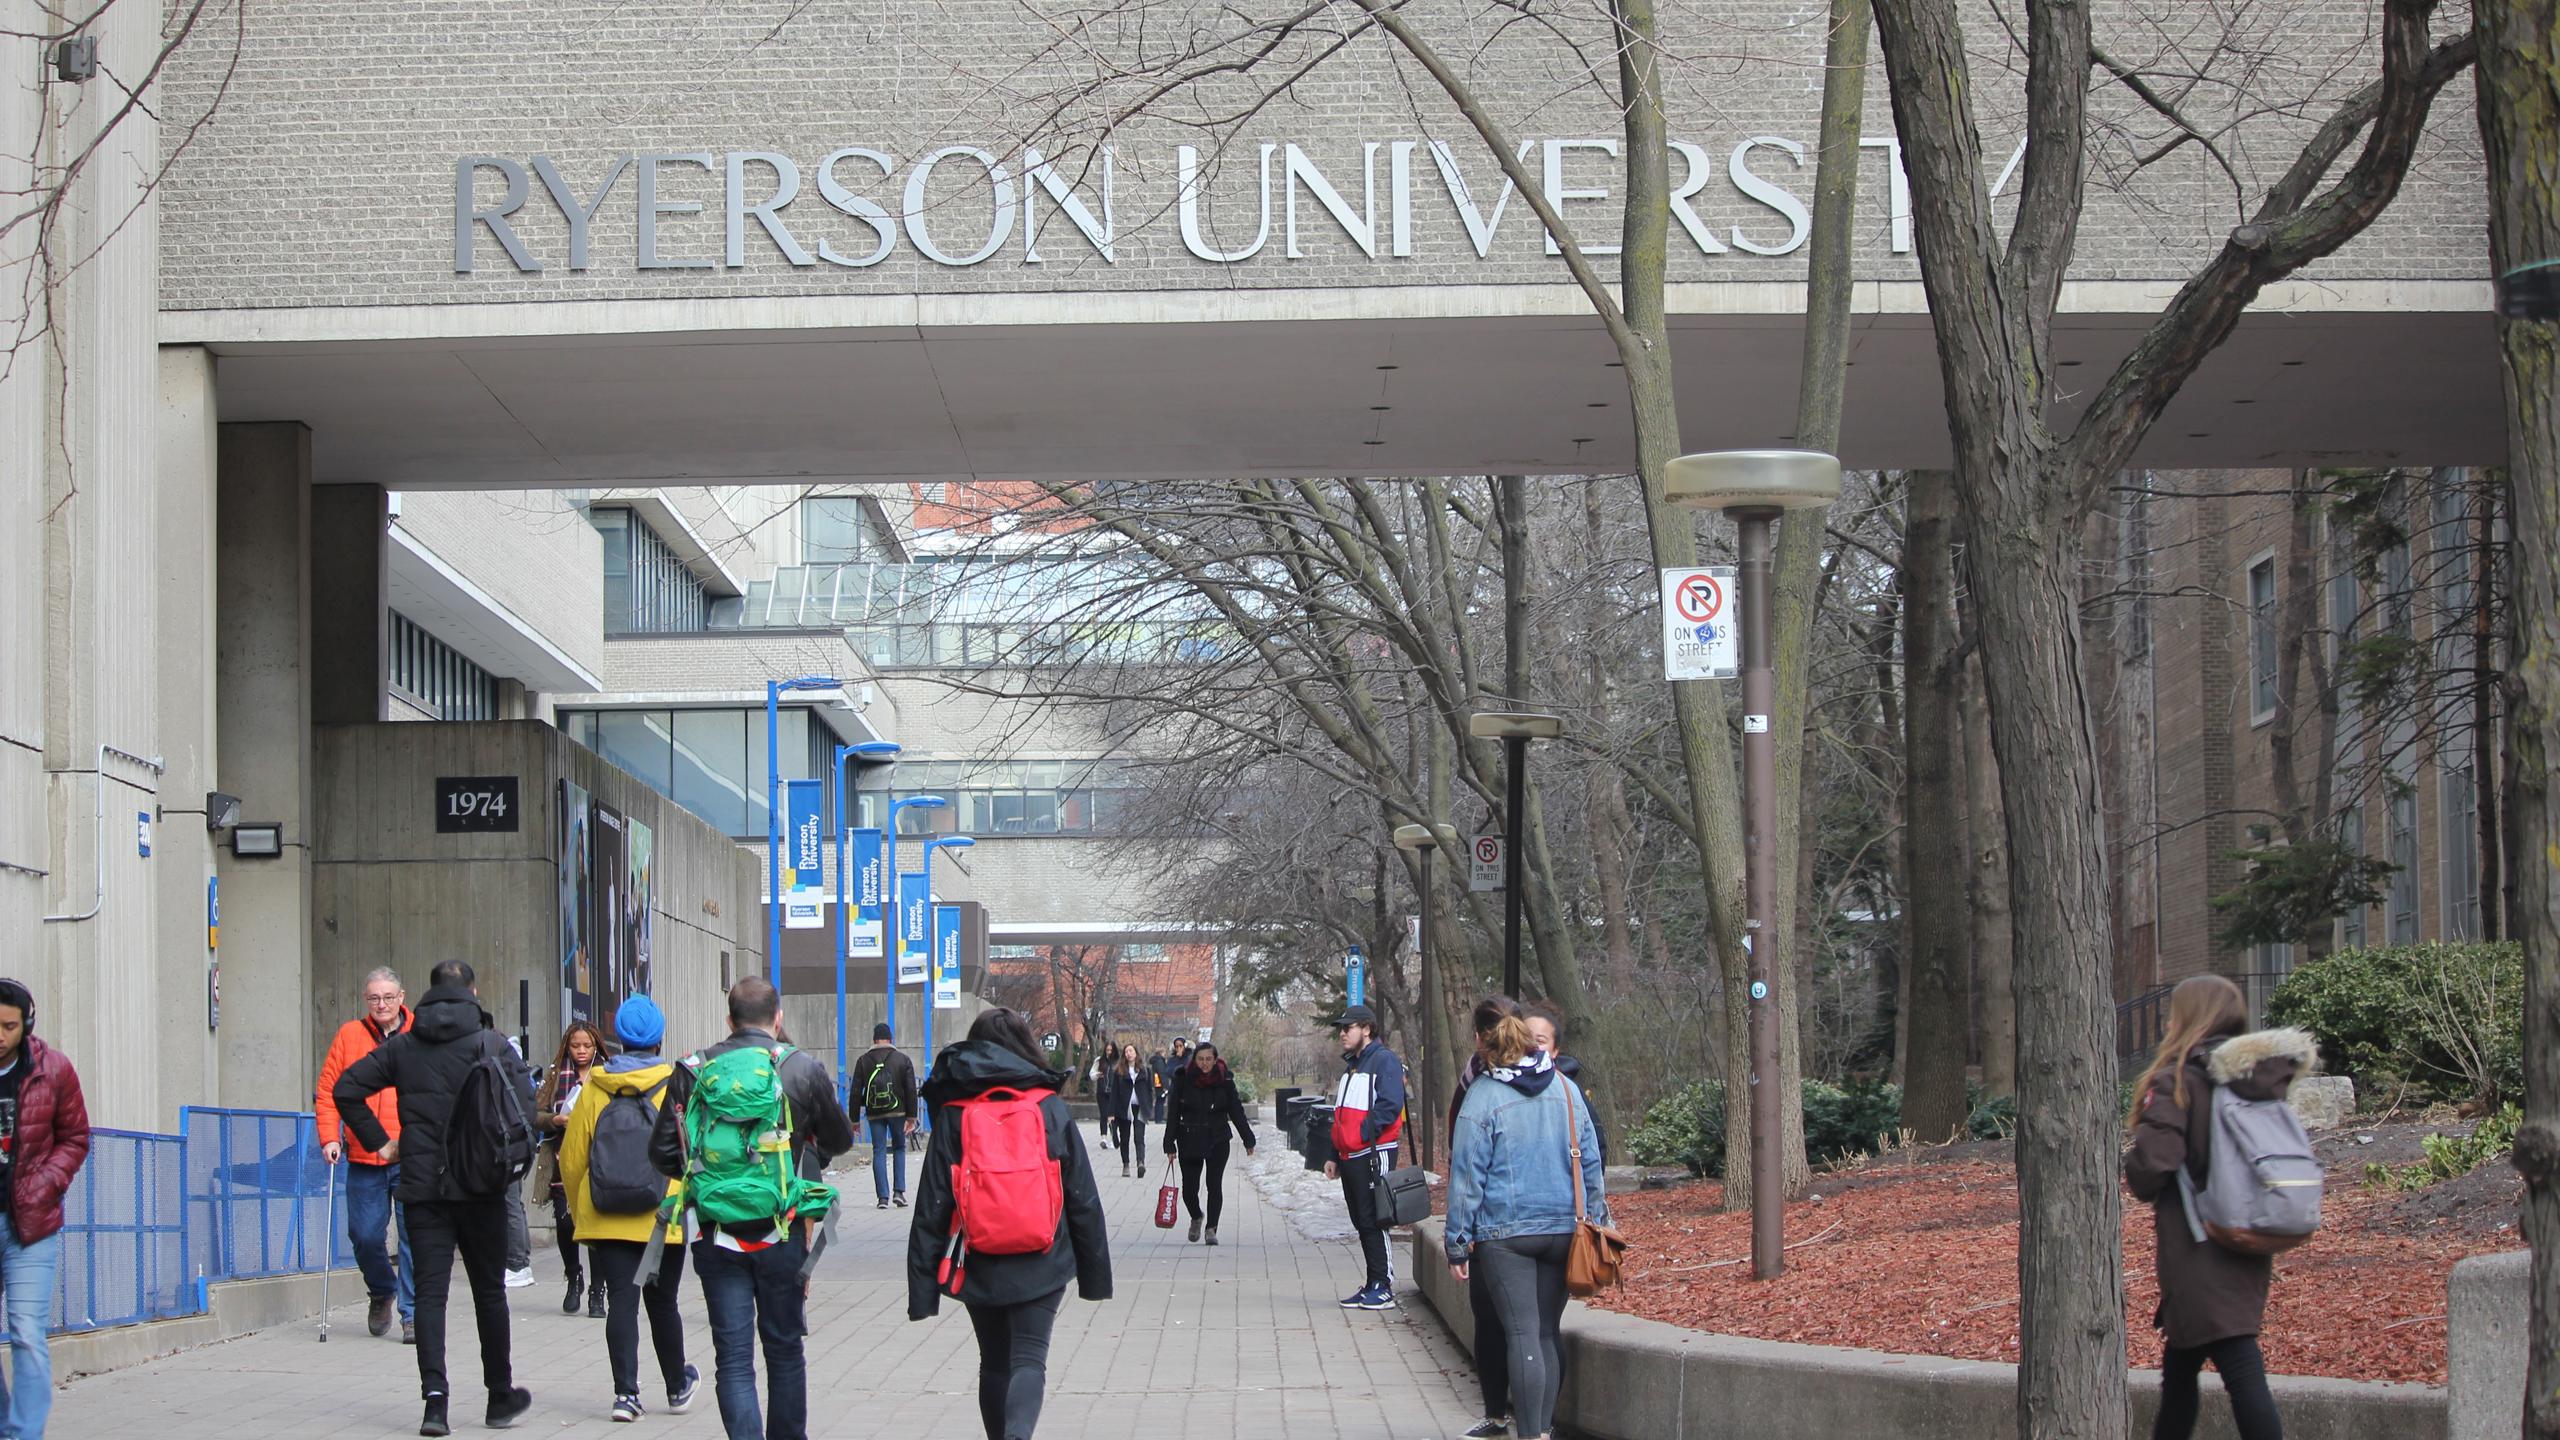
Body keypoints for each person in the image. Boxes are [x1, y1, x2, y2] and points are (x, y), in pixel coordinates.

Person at [333, 958, 537, 1436]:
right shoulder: (491, 1044)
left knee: (429, 1296)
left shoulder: (403, 1047)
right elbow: (526, 1108)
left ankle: (435, 1404)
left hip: (422, 1188)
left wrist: (381, 1142)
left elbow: (346, 1089)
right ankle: (499, 1397)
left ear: (424, 995)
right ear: (472, 990)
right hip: (482, 1189)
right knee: (489, 1293)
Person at [649, 977, 854, 1440]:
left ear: (729, 1020)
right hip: (782, 1230)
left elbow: (662, 1152)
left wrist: (710, 1178)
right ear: (777, 1019)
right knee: (784, 1350)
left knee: (734, 1359)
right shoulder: (800, 1068)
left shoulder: (693, 1069)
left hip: (715, 1232)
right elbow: (841, 1140)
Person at [906, 1008, 1111, 1440]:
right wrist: (1094, 1276)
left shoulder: (955, 1114)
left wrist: (923, 1292)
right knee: (1029, 1358)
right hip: (1044, 1256)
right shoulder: (1049, 1107)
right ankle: (1019, 1433)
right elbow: (1082, 1196)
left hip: (978, 1259)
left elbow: (932, 1205)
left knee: (994, 1361)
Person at [2125, 975, 2312, 1440]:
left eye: (2174, 1011)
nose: (2167, 1020)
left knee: (2238, 1366)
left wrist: (2132, 1156)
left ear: (2189, 1018)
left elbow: (2152, 1169)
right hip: (2245, 1233)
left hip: (2197, 1248)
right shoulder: (2250, 1082)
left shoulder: (2179, 1082)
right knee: (2182, 1367)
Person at [1444, 996, 1608, 1440]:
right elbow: (1591, 1159)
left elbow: (1466, 1174)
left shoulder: (1484, 1094)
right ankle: (1543, 1431)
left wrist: (1457, 1240)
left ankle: (1529, 1433)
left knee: (1521, 1335)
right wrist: (1597, 1217)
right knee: (1545, 1332)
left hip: (1505, 1233)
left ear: (1483, 1039)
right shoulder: (1565, 1087)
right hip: (1563, 1229)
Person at [557, 995, 699, 1424]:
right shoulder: (677, 1084)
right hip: (663, 1215)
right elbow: (691, 1151)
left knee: (622, 1301)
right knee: (663, 1302)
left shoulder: (594, 1086)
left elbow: (572, 1156)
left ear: (617, 1038)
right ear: (659, 1038)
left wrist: (585, 1210)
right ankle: (676, 1386)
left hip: (607, 1214)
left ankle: (626, 1395)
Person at [0, 979, 91, 1440]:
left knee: (27, 1331)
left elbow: (76, 1138)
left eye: (8, 1026)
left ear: (26, 1024)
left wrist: (44, 1185)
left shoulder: (52, 1069)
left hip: (30, 1226)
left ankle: (24, 1435)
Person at [316, 966, 416, 1344]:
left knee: (413, 1239)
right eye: (374, 998)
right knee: (365, 1236)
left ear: (401, 997)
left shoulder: (420, 1034)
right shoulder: (349, 1035)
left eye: (388, 997)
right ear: (365, 999)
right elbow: (328, 1092)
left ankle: (413, 1315)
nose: (382, 1004)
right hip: (363, 1156)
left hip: (410, 1157)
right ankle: (381, 1289)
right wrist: (330, 1136)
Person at [1322, 1003, 1407, 1310]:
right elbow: (1341, 1114)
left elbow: (1389, 1106)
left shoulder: (1383, 1061)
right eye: (1341, 1029)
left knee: (1374, 1218)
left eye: (1348, 1028)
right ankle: (1373, 1282)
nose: (1342, 1034)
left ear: (1367, 1029)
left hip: (1373, 1152)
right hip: (1352, 1154)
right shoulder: (1354, 1065)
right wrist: (1335, 1152)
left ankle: (1383, 1285)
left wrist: (1360, 1136)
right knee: (1362, 1220)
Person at [537, 1020, 609, 1317]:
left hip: (600, 1161)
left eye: (587, 1046)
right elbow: (535, 1113)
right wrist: (555, 1120)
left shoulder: (608, 1073)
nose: (581, 1051)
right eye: (575, 1045)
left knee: (596, 1229)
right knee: (566, 1224)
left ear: (597, 1047)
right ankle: (573, 1275)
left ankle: (597, 1291)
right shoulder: (555, 1075)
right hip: (562, 1160)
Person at [1159, 1040, 1254, 1244]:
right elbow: (1174, 1112)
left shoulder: (1224, 1080)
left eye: (1208, 1059)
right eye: (1201, 1059)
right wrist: (1169, 1143)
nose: (1204, 1064)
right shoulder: (1183, 1079)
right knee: (1189, 1190)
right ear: (1194, 1060)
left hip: (1217, 1138)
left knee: (1214, 1185)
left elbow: (1236, 1110)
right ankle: (1196, 1216)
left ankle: (1211, 1229)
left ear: (1215, 1059)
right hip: (1189, 1138)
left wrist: (1248, 1138)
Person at [850, 1023, 919, 1209]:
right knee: (899, 1148)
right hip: (898, 1111)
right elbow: (911, 1090)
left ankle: (882, 1198)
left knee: (878, 1150)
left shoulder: (863, 1060)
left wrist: (854, 1120)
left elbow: (855, 1091)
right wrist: (912, 1116)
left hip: (874, 1114)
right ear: (891, 1039)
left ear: (874, 1040)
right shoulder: (902, 1059)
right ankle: (899, 1192)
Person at [1100, 1044, 1150, 1179]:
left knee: (1139, 1137)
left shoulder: (1144, 1070)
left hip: (1139, 1107)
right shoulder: (1119, 1071)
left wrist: (1148, 1108)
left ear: (1136, 1053)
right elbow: (1114, 1093)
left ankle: (1141, 1163)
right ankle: (1126, 1164)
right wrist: (1111, 1114)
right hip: (1123, 1107)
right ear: (1124, 1055)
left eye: (1131, 1050)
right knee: (1125, 1138)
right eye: (1126, 1051)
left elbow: (1149, 1091)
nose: (1129, 1053)